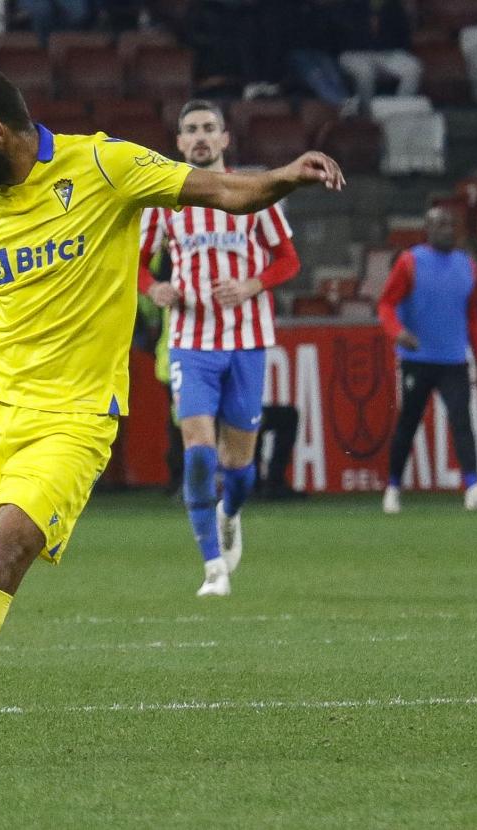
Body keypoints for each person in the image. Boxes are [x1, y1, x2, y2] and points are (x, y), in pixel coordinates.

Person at [0, 67, 345, 771]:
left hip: (72, 416)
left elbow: (222, 190)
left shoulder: (105, 164)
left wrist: (287, 175)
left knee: (3, 554)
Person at [139, 100, 302, 598]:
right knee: (199, 454)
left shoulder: (256, 193)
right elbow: (136, 264)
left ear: (226, 139)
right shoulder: (165, 202)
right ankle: (213, 568)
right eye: (191, 130)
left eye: (210, 128)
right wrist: (154, 289)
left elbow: (289, 260)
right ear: (180, 142)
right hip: (191, 343)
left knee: (240, 468)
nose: (201, 136)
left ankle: (230, 515)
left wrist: (253, 285)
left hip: (248, 342)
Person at [378, 206, 477, 514]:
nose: (446, 229)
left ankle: (474, 488)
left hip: (453, 359)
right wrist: (397, 333)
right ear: (427, 229)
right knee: (408, 422)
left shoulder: (468, 267)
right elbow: (386, 304)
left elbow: (472, 318)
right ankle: (393, 487)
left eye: (450, 223)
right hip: (417, 357)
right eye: (439, 224)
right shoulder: (411, 262)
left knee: (462, 421)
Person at [337, 0, 421, 113]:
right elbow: (341, 36)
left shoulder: (393, 5)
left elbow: (403, 38)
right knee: (365, 73)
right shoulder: (347, 5)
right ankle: (367, 114)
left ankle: (398, 111)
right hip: (353, 53)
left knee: (413, 68)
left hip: (386, 53)